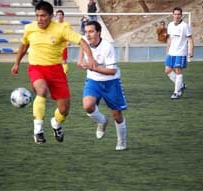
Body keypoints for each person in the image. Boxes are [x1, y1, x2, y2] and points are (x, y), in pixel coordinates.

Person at [11, 1, 97, 144]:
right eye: (37, 15)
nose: (40, 19)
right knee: (42, 90)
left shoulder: (61, 29)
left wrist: (91, 57)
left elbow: (81, 41)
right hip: (36, 68)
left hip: (56, 70)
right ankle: (38, 130)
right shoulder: (30, 28)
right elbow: (24, 45)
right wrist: (17, 62)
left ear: (51, 16)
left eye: (43, 16)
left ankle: (56, 124)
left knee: (64, 110)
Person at [77, 21, 128, 151]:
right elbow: (81, 45)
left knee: (117, 115)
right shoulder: (84, 40)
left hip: (111, 82)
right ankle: (102, 121)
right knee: (88, 106)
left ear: (99, 33)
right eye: (86, 31)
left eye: (91, 31)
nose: (87, 35)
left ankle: (121, 142)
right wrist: (80, 59)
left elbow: (112, 71)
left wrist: (92, 68)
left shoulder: (107, 47)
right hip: (93, 81)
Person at [164, 7, 194, 99]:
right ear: (173, 15)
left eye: (178, 14)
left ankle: (177, 92)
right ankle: (180, 84)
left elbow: (190, 39)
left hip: (181, 52)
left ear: (181, 15)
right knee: (167, 71)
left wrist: (191, 51)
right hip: (171, 52)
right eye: (175, 14)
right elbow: (169, 39)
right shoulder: (170, 25)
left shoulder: (185, 26)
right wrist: (167, 51)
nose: (177, 16)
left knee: (178, 71)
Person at [56, 9, 71, 74]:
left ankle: (65, 73)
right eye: (58, 15)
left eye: (60, 15)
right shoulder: (54, 24)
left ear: (63, 16)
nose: (59, 16)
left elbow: (70, 33)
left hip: (63, 45)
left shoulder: (67, 24)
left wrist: (69, 41)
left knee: (64, 60)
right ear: (56, 16)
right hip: (55, 45)